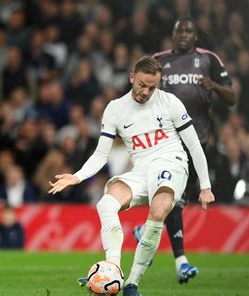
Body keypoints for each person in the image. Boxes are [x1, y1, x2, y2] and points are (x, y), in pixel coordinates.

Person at [48, 56, 214, 295]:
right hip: (141, 170)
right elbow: (100, 154)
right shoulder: (115, 109)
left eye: (152, 87)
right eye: (142, 85)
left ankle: (132, 285)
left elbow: (195, 146)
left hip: (172, 162)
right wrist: (77, 176)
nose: (146, 91)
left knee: (158, 211)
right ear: (132, 77)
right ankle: (113, 270)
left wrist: (205, 186)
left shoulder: (170, 103)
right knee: (105, 204)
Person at [133, 14, 236, 284]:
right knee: (173, 195)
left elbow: (232, 97)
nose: (183, 36)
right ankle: (181, 261)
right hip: (166, 139)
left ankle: (146, 234)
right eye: (179, 31)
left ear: (195, 35)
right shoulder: (159, 60)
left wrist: (213, 85)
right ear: (173, 34)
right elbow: (141, 91)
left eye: (188, 32)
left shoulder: (208, 59)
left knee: (176, 199)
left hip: (198, 140)